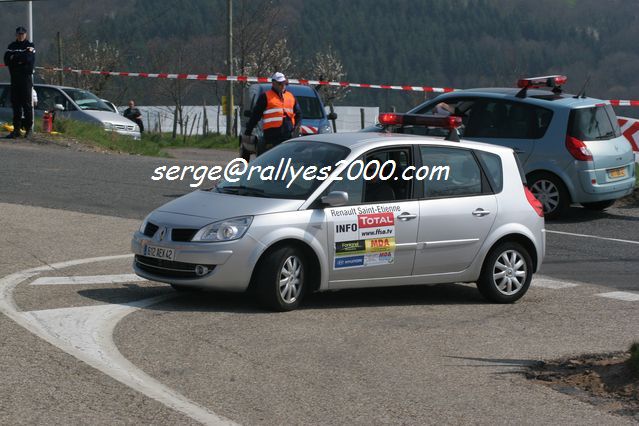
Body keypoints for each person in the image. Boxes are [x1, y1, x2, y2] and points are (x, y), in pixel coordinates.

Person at [244, 72, 302, 155]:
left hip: (288, 135)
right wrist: (248, 131)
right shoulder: (265, 97)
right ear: (274, 83)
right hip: (271, 136)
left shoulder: (291, 97)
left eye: (284, 83)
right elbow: (256, 115)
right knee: (271, 160)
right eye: (280, 84)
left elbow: (298, 114)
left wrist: (297, 126)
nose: (282, 86)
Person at [3, 26, 35, 139]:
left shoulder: (30, 46)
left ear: (25, 34)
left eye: (22, 34)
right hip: (15, 79)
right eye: (19, 34)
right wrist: (20, 59)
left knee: (26, 105)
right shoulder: (11, 46)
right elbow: (6, 60)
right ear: (16, 34)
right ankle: (16, 130)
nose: (20, 36)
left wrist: (15, 58)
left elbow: (29, 59)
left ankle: (28, 129)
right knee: (15, 104)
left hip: (25, 79)